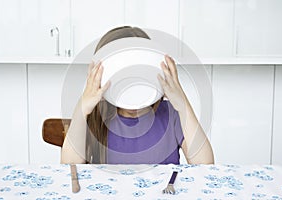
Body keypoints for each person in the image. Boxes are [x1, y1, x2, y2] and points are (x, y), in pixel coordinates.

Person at [61, 26, 214, 164]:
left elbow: (205, 166)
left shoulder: (172, 114)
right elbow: (68, 167)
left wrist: (182, 103)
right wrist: (82, 108)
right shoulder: (96, 117)